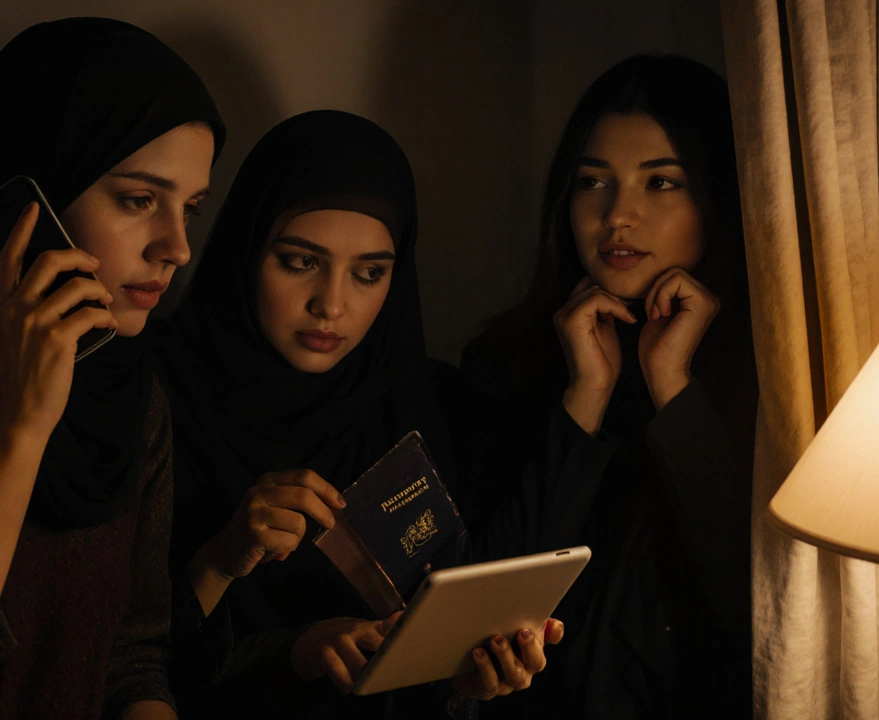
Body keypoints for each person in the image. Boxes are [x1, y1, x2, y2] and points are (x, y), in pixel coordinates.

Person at [159, 110, 595, 719]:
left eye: (369, 273)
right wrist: (222, 564)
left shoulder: (434, 408)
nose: (331, 305)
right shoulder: (159, 402)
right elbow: (123, 662)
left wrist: (466, 680)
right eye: (299, 261)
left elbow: (464, 635)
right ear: (245, 248)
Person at [0, 18, 224, 719]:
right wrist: (19, 428)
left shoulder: (129, 393)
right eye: (138, 200)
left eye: (189, 207)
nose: (178, 247)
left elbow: (131, 654)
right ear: (21, 205)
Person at [462, 54, 758, 718]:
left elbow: (757, 612)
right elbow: (479, 611)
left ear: (716, 198)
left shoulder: (772, 379)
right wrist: (584, 398)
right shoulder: (503, 364)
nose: (617, 215)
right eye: (594, 181)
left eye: (661, 184)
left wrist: (672, 387)